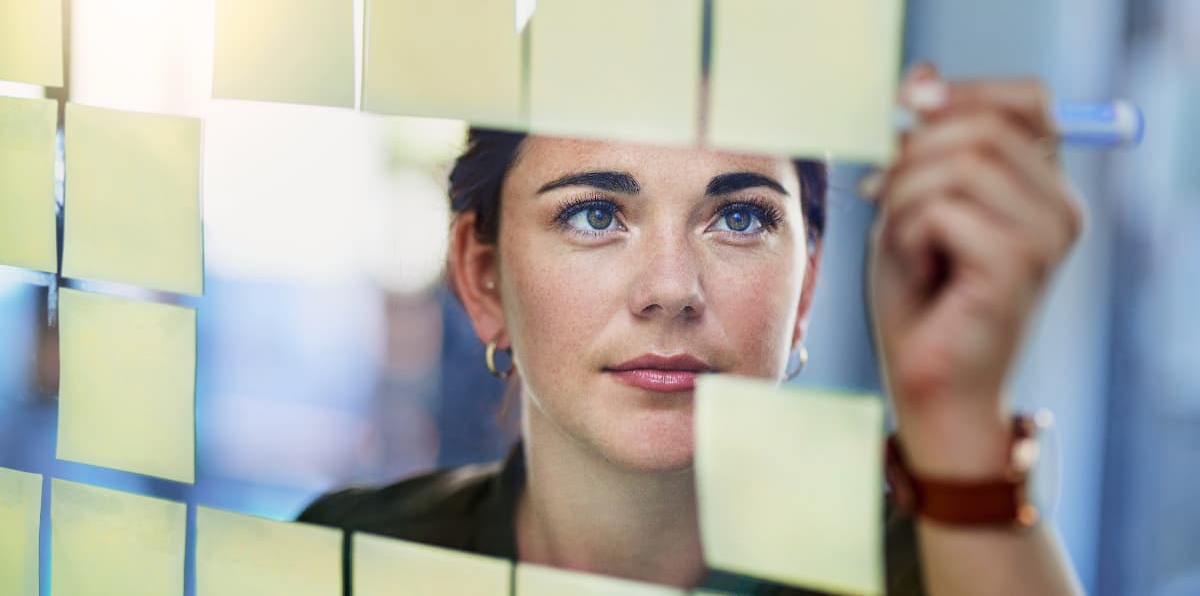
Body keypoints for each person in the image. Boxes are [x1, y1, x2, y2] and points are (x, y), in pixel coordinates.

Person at [299, 64, 1085, 595]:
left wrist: (952, 410)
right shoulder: (354, 557)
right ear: (483, 277)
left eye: (740, 217)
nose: (671, 289)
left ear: (805, 284)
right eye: (595, 214)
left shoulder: (939, 571)